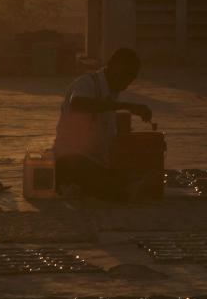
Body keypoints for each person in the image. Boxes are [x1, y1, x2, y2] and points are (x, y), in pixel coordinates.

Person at [52, 47, 160, 201]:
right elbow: (78, 103)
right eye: (125, 76)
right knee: (107, 183)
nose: (127, 83)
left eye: (131, 78)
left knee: (128, 174)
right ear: (113, 66)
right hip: (70, 160)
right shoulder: (87, 83)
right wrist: (127, 106)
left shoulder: (110, 94)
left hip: (95, 163)